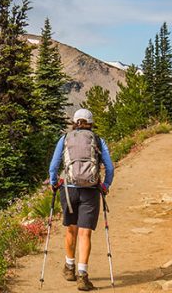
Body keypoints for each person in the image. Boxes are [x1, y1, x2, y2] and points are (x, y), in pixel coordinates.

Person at [49, 108, 114, 291]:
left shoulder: (65, 139)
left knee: (71, 230)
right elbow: (109, 167)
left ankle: (69, 268)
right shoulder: (98, 140)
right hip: (91, 190)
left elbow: (54, 166)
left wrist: (54, 183)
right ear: (91, 123)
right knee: (85, 233)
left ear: (74, 122)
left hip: (68, 189)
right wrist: (105, 185)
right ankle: (83, 276)